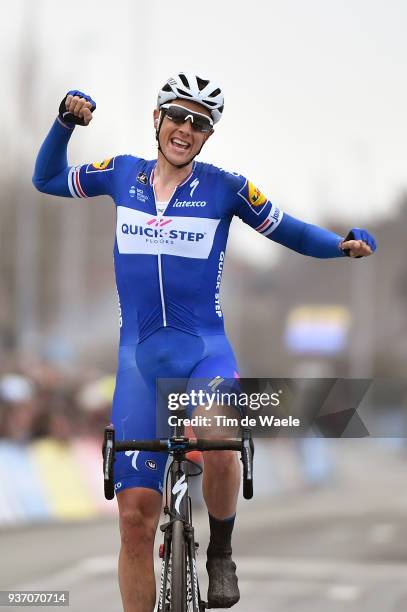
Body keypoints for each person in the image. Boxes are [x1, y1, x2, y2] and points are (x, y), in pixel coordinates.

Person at [33, 73, 377, 612]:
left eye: (200, 123)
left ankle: (220, 552)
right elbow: (47, 178)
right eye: (177, 116)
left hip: (203, 352)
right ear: (157, 119)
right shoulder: (121, 175)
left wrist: (342, 245)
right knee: (133, 522)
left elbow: (287, 229)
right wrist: (63, 125)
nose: (186, 129)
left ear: (208, 135)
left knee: (218, 436)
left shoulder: (225, 188)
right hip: (139, 364)